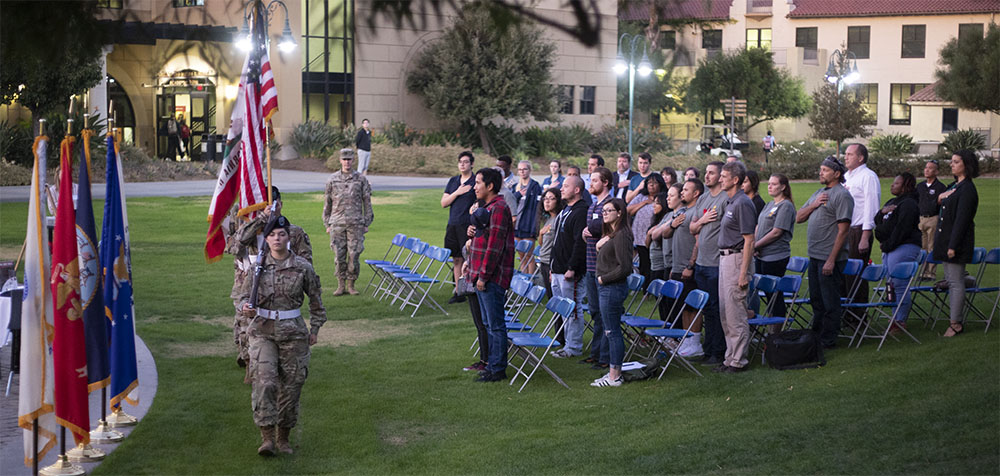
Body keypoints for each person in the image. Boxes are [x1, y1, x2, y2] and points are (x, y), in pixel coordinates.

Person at [237, 216, 325, 456]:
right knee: (265, 383)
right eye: (273, 234)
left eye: (282, 234)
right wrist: (246, 308)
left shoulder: (302, 267)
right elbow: (243, 298)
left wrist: (315, 328)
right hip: (262, 332)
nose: (277, 238)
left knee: (292, 386)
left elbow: (316, 300)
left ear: (289, 237)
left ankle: (283, 438)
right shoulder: (257, 268)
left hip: (293, 333)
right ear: (266, 238)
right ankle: (266, 439)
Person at [228, 187, 313, 373]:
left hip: (279, 292)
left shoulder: (290, 232)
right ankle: (250, 366)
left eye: (274, 204)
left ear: (280, 204)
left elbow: (306, 266)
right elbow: (234, 246)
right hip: (247, 288)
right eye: (265, 205)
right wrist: (261, 220)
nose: (270, 208)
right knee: (244, 329)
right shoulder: (252, 230)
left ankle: (266, 368)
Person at [796, 156, 853, 349]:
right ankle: (817, 336)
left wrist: (831, 259)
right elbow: (798, 218)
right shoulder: (818, 193)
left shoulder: (842, 195)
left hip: (830, 258)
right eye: (820, 169)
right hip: (814, 255)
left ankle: (828, 340)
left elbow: (844, 231)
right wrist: (814, 205)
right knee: (816, 300)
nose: (820, 172)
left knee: (830, 301)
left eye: (825, 170)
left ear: (836, 174)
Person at [468, 167, 517, 382]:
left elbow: (494, 247)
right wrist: (473, 231)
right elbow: (484, 238)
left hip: (492, 277)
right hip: (480, 274)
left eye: (478, 182)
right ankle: (491, 365)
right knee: (488, 324)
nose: (474, 186)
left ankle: (498, 369)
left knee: (496, 325)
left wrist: (483, 276)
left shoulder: (498, 208)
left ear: (490, 186)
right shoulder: (486, 207)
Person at [714, 161, 757, 373]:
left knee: (736, 312)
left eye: (723, 176)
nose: (720, 179)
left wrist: (743, 274)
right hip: (725, 259)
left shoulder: (742, 203)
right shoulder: (731, 202)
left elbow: (749, 240)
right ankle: (729, 358)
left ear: (735, 179)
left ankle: (739, 361)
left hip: (737, 259)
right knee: (725, 312)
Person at [934, 150, 980, 338]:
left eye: (956, 162)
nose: (951, 165)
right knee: (952, 280)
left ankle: (956, 323)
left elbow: (962, 220)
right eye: (951, 161)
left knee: (954, 282)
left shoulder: (967, 189)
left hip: (956, 242)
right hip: (945, 240)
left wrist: (953, 245)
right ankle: (968, 280)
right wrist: (940, 198)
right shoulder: (955, 186)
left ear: (966, 165)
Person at [591, 198, 634, 388]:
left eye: (609, 210)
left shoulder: (622, 235)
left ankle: (615, 376)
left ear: (620, 213)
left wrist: (603, 279)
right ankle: (612, 373)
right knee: (610, 331)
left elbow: (625, 268)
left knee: (613, 332)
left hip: (612, 288)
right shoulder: (614, 234)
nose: (605, 213)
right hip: (606, 288)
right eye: (604, 210)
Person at [689, 161, 728, 366]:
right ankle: (708, 349)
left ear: (721, 176)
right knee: (706, 308)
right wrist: (703, 221)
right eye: (706, 172)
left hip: (716, 262)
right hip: (702, 262)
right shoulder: (704, 198)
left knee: (716, 308)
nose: (706, 176)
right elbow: (692, 228)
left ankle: (718, 351)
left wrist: (700, 223)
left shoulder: (725, 199)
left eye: (711, 173)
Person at [874, 172, 922, 331]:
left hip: (904, 246)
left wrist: (888, 244)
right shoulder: (892, 202)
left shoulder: (909, 204)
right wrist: (881, 212)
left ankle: (900, 320)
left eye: (896, 183)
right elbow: (878, 222)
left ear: (905, 186)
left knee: (899, 284)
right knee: (890, 284)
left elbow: (902, 229)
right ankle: (894, 316)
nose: (892, 185)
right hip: (889, 246)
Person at [322, 148, 374, 296]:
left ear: (353, 160)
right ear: (340, 160)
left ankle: (351, 284)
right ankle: (340, 285)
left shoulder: (361, 179)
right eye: (344, 159)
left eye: (349, 159)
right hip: (337, 223)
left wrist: (366, 223)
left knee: (354, 254)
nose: (347, 162)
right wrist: (327, 223)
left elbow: (367, 202)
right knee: (339, 255)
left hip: (356, 223)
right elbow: (327, 203)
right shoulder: (332, 179)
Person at [548, 175, 588, 358]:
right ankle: (566, 343)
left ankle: (574, 347)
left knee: (573, 309)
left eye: (565, 186)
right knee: (563, 309)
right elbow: (558, 241)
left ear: (577, 190)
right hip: (557, 269)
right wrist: (552, 266)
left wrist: (572, 267)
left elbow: (580, 243)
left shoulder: (581, 211)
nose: (561, 188)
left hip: (569, 271)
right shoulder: (565, 210)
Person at [580, 166, 614, 369]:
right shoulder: (593, 206)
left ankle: (606, 356)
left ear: (605, 182)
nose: (590, 184)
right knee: (594, 311)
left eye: (594, 180)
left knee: (604, 312)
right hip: (590, 264)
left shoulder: (610, 206)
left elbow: (608, 231)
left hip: (604, 267)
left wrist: (591, 230)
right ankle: (596, 352)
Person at [843, 143, 881, 314]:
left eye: (850, 154)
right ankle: (845, 313)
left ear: (861, 158)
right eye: (846, 154)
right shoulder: (846, 177)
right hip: (843, 231)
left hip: (858, 230)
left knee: (856, 275)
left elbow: (871, 208)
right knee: (844, 274)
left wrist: (865, 236)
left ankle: (858, 317)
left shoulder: (868, 176)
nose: (846, 157)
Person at [668, 178, 704, 357]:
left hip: (689, 267)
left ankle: (695, 342)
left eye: (686, 190)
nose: (682, 192)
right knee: (684, 306)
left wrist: (691, 264)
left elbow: (698, 241)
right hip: (677, 266)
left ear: (696, 193)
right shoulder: (683, 211)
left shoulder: (697, 211)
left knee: (693, 306)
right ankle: (686, 340)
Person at [752, 174, 795, 320]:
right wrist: (755, 245)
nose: (770, 186)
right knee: (763, 292)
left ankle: (776, 333)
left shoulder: (786, 206)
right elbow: (759, 225)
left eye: (774, 184)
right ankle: (769, 329)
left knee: (774, 294)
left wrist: (755, 246)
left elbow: (776, 232)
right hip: (761, 254)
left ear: (783, 187)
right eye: (769, 183)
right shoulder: (769, 204)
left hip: (775, 256)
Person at [441, 151, 477, 303]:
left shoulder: (476, 181)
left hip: (467, 225)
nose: (462, 164)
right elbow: (444, 203)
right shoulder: (454, 181)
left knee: (469, 258)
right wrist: (457, 192)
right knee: (456, 259)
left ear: (472, 164)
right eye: (460, 162)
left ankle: (471, 289)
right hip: (453, 224)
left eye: (466, 162)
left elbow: (479, 204)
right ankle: (459, 291)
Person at [627, 173, 666, 286]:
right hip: (639, 235)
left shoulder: (663, 197)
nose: (651, 186)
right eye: (649, 183)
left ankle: (653, 285)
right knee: (643, 262)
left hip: (654, 234)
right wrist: (643, 203)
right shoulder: (641, 196)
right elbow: (628, 210)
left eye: (654, 183)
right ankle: (645, 287)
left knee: (653, 262)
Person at [916, 160, 947, 280]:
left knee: (932, 246)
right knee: (922, 248)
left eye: (930, 168)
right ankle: (923, 272)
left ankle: (931, 273)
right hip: (920, 218)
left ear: (936, 171)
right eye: (926, 168)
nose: (927, 170)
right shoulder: (920, 186)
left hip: (933, 218)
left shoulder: (940, 187)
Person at [646, 190, 674, 322]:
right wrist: (650, 233)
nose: (653, 206)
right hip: (654, 263)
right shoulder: (658, 220)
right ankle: (664, 326)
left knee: (665, 300)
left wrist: (653, 232)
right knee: (659, 299)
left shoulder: (668, 217)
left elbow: (656, 237)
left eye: (657, 203)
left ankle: (667, 329)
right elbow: (647, 241)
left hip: (662, 264)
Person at [512, 160, 542, 273]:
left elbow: (538, 207)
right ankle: (523, 279)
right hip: (517, 224)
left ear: (529, 170)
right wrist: (518, 194)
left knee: (529, 255)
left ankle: (530, 280)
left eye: (525, 169)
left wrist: (535, 226)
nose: (522, 171)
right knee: (521, 255)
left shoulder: (535, 186)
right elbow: (510, 202)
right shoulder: (516, 186)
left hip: (528, 224)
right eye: (520, 169)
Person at [535, 188, 564, 298]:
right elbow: (542, 244)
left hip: (552, 263)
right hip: (543, 260)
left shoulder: (559, 219)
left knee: (556, 297)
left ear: (558, 201)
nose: (547, 202)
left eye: (551, 199)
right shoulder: (546, 219)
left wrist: (554, 267)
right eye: (545, 199)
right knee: (550, 296)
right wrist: (541, 234)